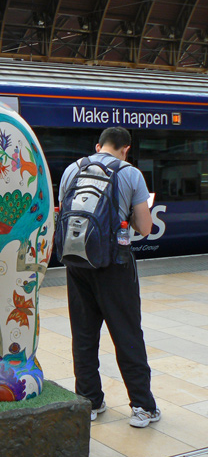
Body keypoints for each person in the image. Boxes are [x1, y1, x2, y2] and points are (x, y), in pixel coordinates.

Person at [58, 126, 161, 428]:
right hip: (114, 265)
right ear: (126, 148)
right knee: (127, 333)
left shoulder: (71, 170)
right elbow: (144, 228)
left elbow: (65, 212)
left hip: (77, 263)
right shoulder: (130, 174)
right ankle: (142, 407)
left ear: (98, 145)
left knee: (84, 335)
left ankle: (89, 402)